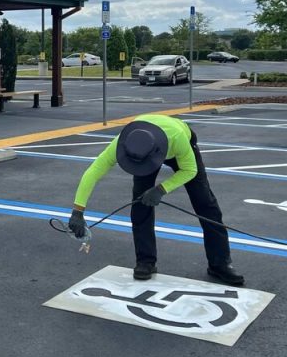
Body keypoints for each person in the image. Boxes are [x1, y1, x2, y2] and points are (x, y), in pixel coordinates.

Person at [67, 114, 244, 286]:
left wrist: (160, 190)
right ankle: (146, 261)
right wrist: (78, 210)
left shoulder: (177, 138)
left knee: (206, 204)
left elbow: (190, 171)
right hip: (144, 152)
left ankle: (219, 264)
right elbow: (93, 171)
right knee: (140, 205)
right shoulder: (125, 142)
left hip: (178, 147)